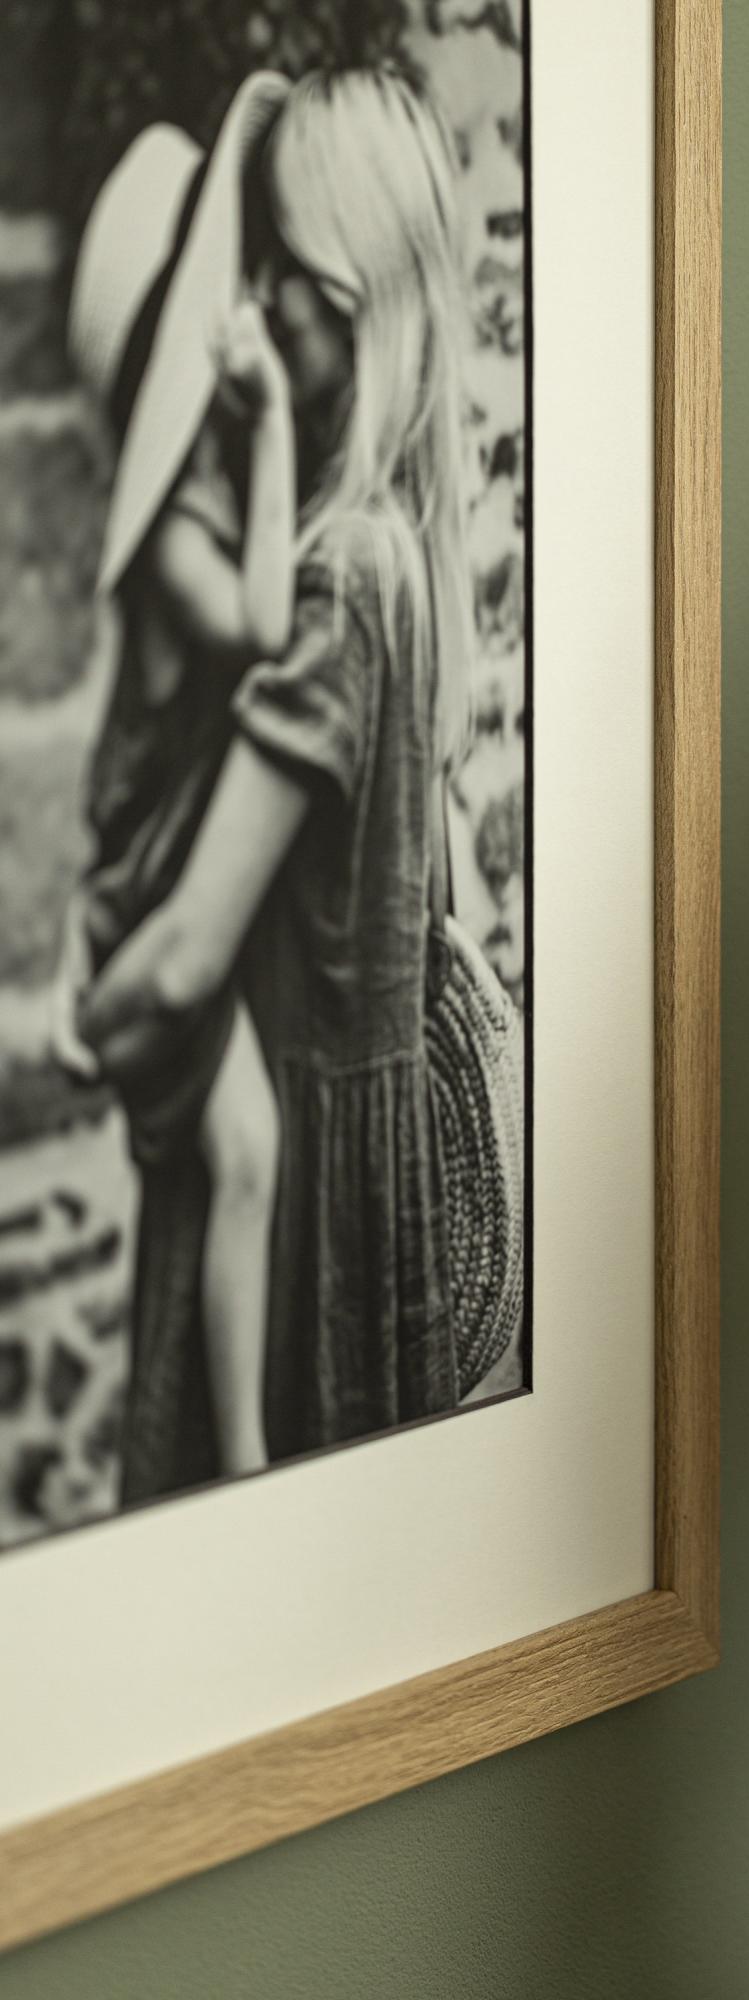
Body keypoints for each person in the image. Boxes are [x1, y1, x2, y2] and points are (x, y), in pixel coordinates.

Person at [78, 65, 479, 1499]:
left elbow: (188, 955)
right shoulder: (398, 555)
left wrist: (95, 1021)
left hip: (312, 1185)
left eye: (280, 264)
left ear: (341, 291)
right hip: (355, 1160)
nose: (259, 302)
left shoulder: (340, 574)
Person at [58, 76, 296, 1478]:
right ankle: (249, 1459)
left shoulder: (198, 500)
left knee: (241, 1161)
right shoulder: (175, 541)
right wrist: (278, 420)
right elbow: (265, 619)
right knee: (246, 1152)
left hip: (149, 882)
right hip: (149, 904)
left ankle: (239, 1444)